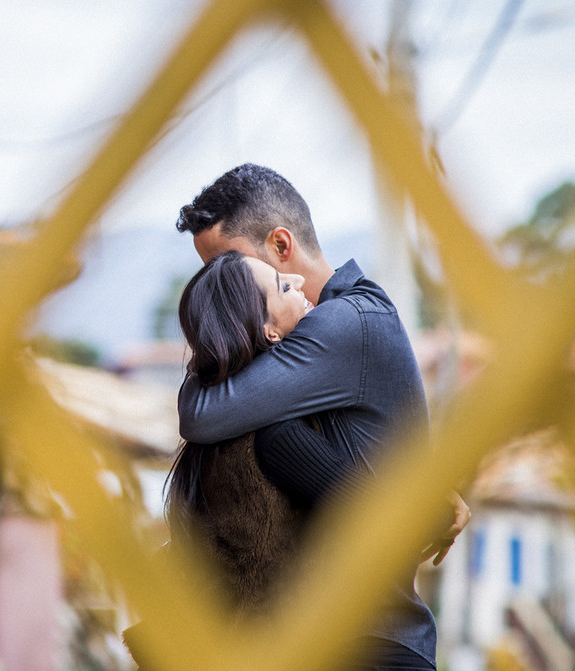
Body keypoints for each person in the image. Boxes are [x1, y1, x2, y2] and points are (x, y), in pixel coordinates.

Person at [174, 163, 470, 671]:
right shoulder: (329, 328)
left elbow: (201, 414)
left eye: (227, 265)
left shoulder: (343, 323)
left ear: (281, 246)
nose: (217, 286)